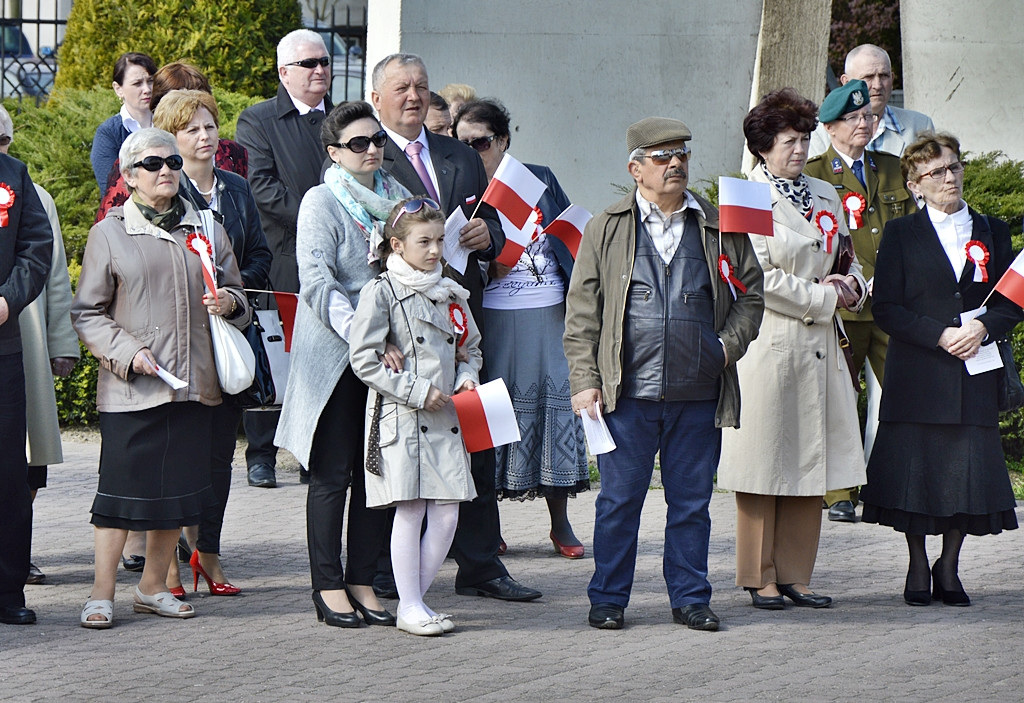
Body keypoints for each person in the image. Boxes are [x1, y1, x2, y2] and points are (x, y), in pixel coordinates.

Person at [564, 117, 764, 631]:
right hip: (625, 395)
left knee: (692, 505)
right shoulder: (606, 226)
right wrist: (585, 379)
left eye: (681, 154)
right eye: (661, 156)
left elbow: (751, 297)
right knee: (618, 502)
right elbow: (583, 310)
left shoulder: (721, 224)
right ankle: (608, 598)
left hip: (698, 394)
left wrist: (724, 349)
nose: (675, 164)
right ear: (636, 169)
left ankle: (692, 598)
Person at [372, 52, 541, 602]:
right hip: (401, 331)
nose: (414, 95)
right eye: (402, 87)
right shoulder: (367, 158)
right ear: (379, 99)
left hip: (464, 323)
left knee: (477, 441)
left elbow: (487, 216)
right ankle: (382, 573)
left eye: (421, 85)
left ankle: (481, 564)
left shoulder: (457, 153)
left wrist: (485, 236)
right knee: (397, 460)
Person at [71, 128, 250, 628]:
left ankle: (152, 587)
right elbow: (87, 313)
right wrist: (129, 352)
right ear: (129, 177)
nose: (166, 169)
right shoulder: (110, 232)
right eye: (152, 163)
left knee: (177, 493)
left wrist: (231, 303)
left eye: (172, 161)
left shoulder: (208, 228)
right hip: (133, 387)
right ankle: (101, 593)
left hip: (194, 383)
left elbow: (240, 297)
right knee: (119, 497)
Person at [719, 88, 868, 611]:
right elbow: (756, 273)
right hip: (770, 345)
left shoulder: (827, 193)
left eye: (805, 138)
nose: (800, 148)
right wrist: (825, 297)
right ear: (763, 146)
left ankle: (796, 574)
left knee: (811, 461)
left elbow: (849, 257)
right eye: (788, 140)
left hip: (821, 348)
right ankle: (758, 575)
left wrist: (854, 287)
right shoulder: (745, 195)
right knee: (765, 464)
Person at [860, 132, 1020, 606]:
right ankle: (916, 563)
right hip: (918, 372)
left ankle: (948, 566)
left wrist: (985, 328)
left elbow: (1013, 298)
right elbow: (886, 307)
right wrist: (939, 334)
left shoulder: (992, 229)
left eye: (953, 167)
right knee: (917, 471)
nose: (948, 178)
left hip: (974, 369)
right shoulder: (901, 234)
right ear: (915, 185)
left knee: (963, 474)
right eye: (935, 172)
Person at [275, 101, 408, 628]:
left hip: (389, 358)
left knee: (376, 473)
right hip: (336, 355)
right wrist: (366, 337)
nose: (372, 149)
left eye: (377, 140)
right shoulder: (320, 201)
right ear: (334, 152)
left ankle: (363, 580)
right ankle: (327, 584)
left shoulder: (398, 197)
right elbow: (316, 281)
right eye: (358, 143)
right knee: (332, 476)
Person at [452, 98, 589, 558]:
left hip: (549, 311)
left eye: (483, 142)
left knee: (555, 409)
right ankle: (488, 526)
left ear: (504, 140)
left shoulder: (539, 179)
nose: (474, 152)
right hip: (491, 318)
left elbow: (569, 231)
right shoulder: (459, 189)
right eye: (464, 144)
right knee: (490, 417)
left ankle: (560, 522)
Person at [153, 89, 272, 597]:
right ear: (170, 140)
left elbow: (262, 256)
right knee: (180, 453)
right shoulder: (162, 194)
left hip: (229, 334)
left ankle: (211, 553)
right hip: (180, 342)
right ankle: (171, 564)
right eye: (191, 130)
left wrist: (229, 290)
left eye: (209, 126)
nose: (205, 137)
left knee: (221, 453)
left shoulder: (236, 189)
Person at [349, 198, 483, 636]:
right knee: (410, 509)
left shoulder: (451, 291)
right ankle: (410, 607)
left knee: (447, 513)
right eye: (423, 241)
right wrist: (417, 390)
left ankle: (416, 602)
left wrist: (466, 376)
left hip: (447, 418)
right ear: (396, 245)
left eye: (440, 240)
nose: (434, 250)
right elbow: (364, 359)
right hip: (402, 418)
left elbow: (471, 348)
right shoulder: (382, 291)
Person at [804, 80, 917, 522]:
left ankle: (899, 482)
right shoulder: (814, 174)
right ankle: (839, 492)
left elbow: (909, 232)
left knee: (905, 394)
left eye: (868, 116)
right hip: (843, 306)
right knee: (839, 397)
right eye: (853, 118)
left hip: (892, 305)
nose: (864, 123)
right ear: (830, 128)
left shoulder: (892, 168)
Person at [236, 29, 334, 490]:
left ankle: (314, 450)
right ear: (284, 73)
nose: (320, 70)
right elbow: (262, 186)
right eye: (309, 63)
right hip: (282, 259)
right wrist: (320, 217)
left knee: (320, 359)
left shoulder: (346, 119)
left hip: (337, 261)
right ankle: (261, 454)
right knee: (275, 359)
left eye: (324, 62)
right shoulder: (258, 120)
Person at [3, 104, 80, 586]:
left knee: (19, 465)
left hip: (16, 333)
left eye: (5, 138)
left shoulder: (28, 190)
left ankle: (12, 567)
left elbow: (50, 272)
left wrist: (61, 342)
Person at [0, 140, 53, 626]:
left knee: (8, 475)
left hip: (2, 347)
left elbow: (37, 247)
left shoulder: (13, 174)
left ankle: (6, 589)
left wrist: (8, 301)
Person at [96, 61, 249, 222]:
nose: (194, 108)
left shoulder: (231, 153)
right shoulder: (139, 160)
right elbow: (113, 224)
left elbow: (245, 214)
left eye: (201, 99)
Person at [810, 44, 935, 158]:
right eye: (868, 77)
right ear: (846, 82)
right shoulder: (819, 131)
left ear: (892, 78)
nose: (877, 85)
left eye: (884, 76)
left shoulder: (920, 125)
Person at [91, 52, 157, 197]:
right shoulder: (108, 133)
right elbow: (112, 191)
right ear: (118, 89)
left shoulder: (169, 124)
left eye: (150, 81)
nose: (147, 89)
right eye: (137, 83)